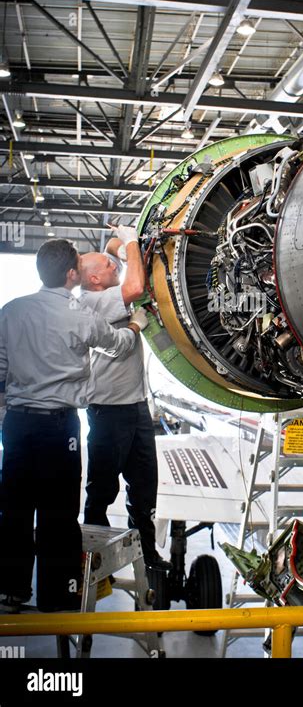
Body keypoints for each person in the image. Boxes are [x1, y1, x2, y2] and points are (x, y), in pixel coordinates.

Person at [0, 239, 148, 613]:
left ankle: (11, 592)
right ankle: (58, 597)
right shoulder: (79, 314)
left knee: (14, 510)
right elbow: (117, 346)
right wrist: (134, 325)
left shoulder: (11, 311)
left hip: (17, 425)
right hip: (59, 428)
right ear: (71, 275)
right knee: (59, 514)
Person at [79, 225, 171, 574]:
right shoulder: (94, 301)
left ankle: (147, 555)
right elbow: (135, 284)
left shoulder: (104, 289)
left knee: (144, 492)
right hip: (108, 412)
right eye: (108, 264)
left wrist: (123, 241)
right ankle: (94, 564)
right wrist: (131, 243)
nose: (114, 263)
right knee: (101, 493)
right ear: (95, 279)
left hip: (135, 409)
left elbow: (112, 247)